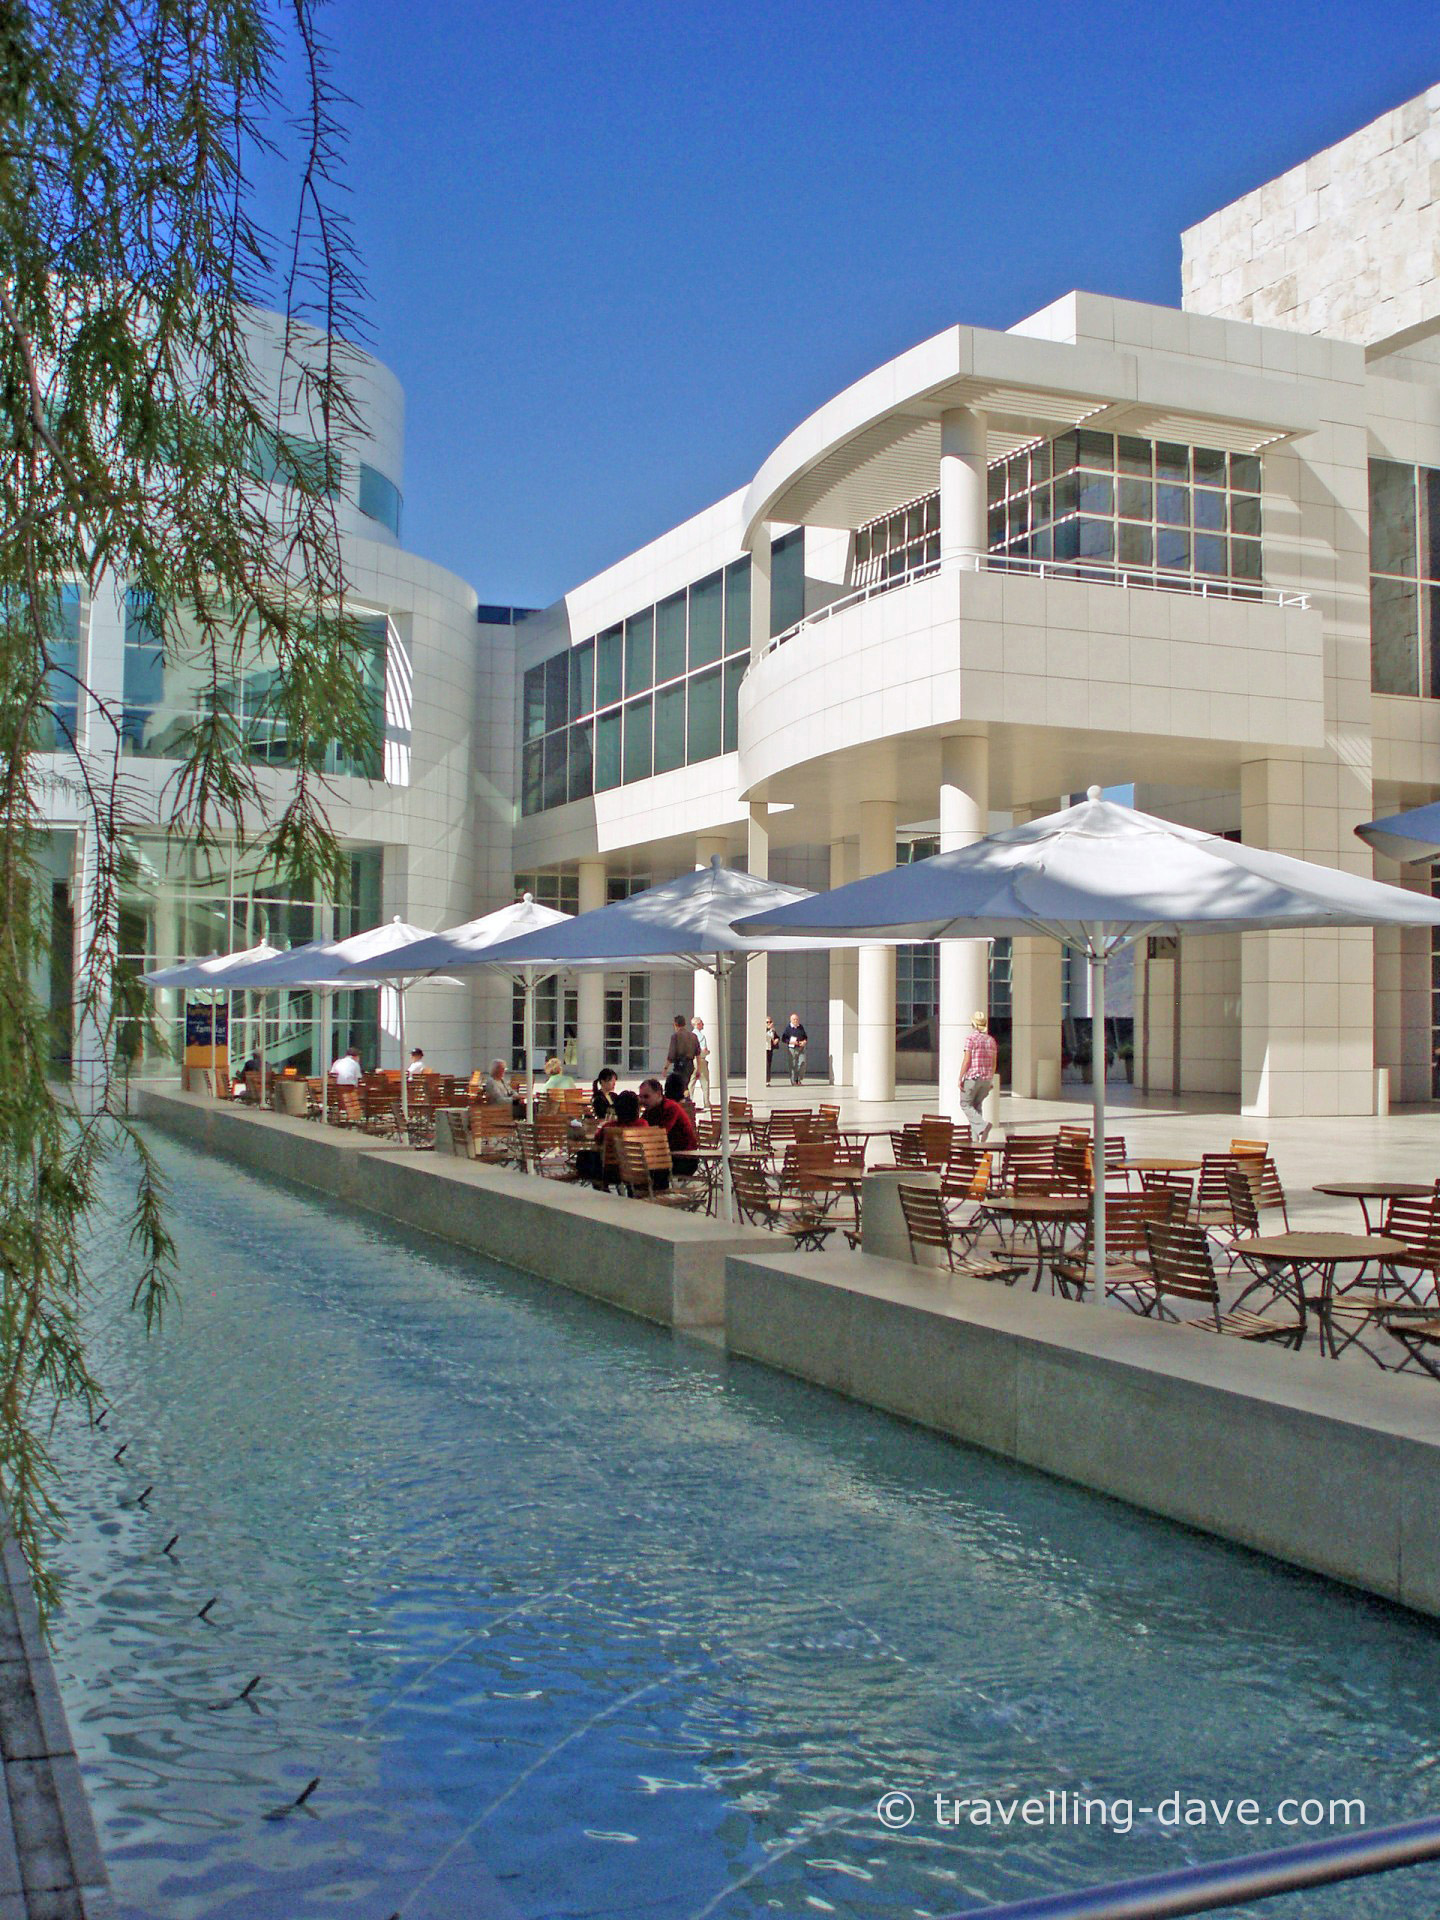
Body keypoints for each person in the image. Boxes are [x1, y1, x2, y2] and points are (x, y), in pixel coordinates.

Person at [638, 1075, 698, 1179]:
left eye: (646, 1097)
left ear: (658, 1094)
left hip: (684, 1159)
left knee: (645, 1167)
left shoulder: (670, 1108)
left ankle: (654, 1193)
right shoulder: (650, 1110)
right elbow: (641, 1131)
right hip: (665, 1156)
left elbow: (660, 1134)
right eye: (641, 1097)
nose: (643, 1101)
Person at [582, 1087, 642, 1189]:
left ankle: (601, 1189)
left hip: (612, 1171)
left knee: (587, 1156)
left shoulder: (609, 1127)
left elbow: (597, 1140)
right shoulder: (643, 1125)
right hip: (637, 1168)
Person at [958, 1010, 998, 1143]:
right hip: (986, 1079)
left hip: (973, 1077)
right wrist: (990, 1078)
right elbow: (993, 1062)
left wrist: (960, 1077)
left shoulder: (971, 1039)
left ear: (973, 1024)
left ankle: (983, 1126)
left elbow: (967, 1059)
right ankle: (977, 1140)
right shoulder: (991, 1040)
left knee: (965, 1104)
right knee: (976, 1106)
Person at [665, 1013, 700, 1091]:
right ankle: (687, 1099)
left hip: (680, 1065)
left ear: (676, 1024)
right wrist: (698, 1069)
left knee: (679, 1086)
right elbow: (698, 1053)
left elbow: (671, 1054)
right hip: (690, 1065)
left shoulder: (675, 1036)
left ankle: (683, 1100)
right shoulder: (693, 1036)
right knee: (685, 1085)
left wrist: (665, 1068)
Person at [691, 1015, 711, 1110]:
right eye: (701, 1023)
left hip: (691, 1061)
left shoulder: (690, 1036)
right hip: (701, 1061)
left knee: (691, 1082)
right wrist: (708, 1052)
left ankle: (689, 1101)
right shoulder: (701, 1036)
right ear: (698, 1024)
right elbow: (703, 1050)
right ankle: (706, 1103)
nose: (703, 1025)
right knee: (705, 1082)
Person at [783, 1011, 808, 1086]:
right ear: (791, 1020)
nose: (796, 1021)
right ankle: (794, 1081)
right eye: (794, 1019)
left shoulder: (800, 1027)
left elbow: (805, 1036)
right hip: (792, 1049)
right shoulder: (788, 1028)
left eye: (797, 1019)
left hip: (801, 1047)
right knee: (793, 1065)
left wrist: (804, 1041)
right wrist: (791, 1042)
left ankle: (799, 1079)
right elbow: (784, 1039)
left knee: (802, 1063)